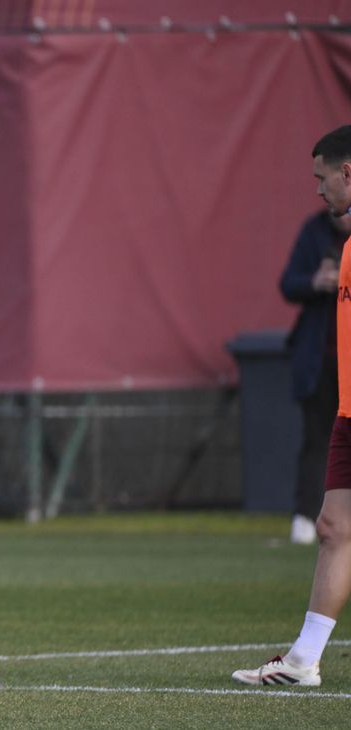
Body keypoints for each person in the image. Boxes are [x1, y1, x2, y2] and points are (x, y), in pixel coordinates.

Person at [233, 125, 351, 686]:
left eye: (321, 177)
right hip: (348, 411)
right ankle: (304, 660)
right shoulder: (339, 241)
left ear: (346, 172)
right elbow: (291, 283)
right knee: (333, 527)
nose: (318, 190)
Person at [280, 210, 351, 544]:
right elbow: (288, 283)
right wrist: (316, 281)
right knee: (318, 439)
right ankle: (306, 518)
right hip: (323, 360)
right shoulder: (314, 230)